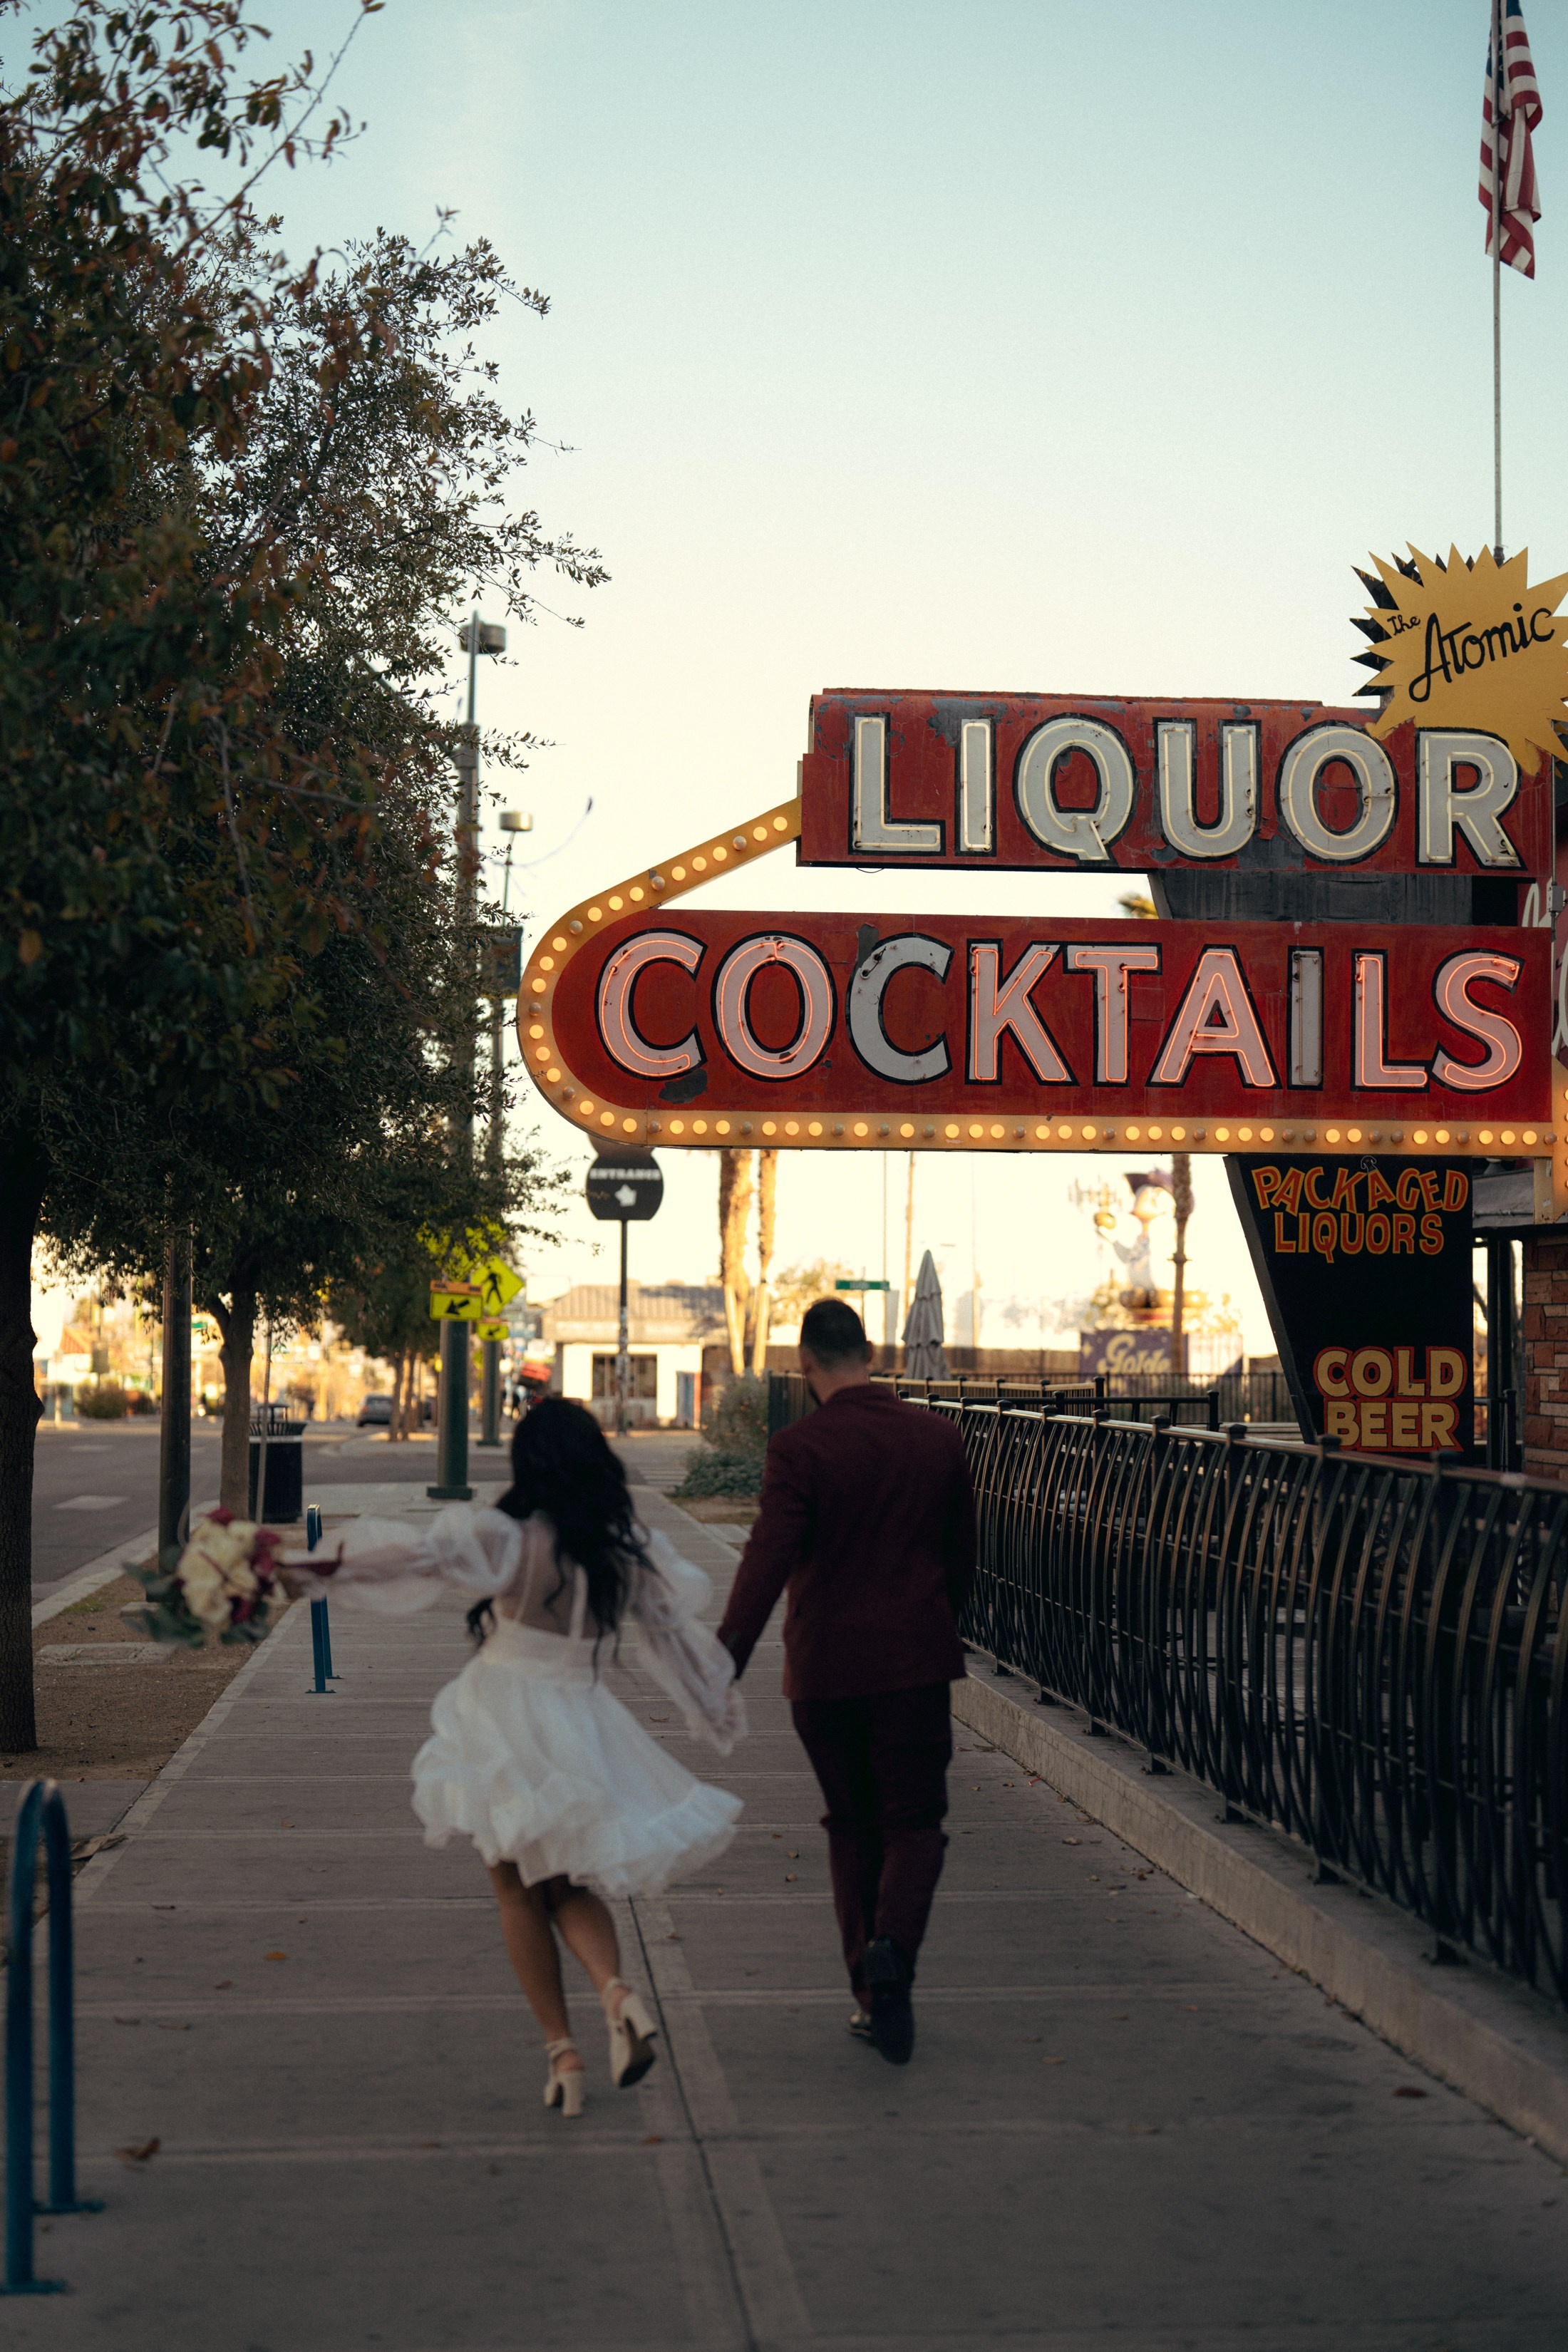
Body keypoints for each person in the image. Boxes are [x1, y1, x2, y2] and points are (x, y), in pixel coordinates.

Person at [283, 1397, 745, 2116]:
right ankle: (616, 1994)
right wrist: (712, 1709)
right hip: (582, 1719)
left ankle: (563, 2052)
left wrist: (305, 1569)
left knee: (514, 1890)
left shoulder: (510, 1540)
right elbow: (674, 1640)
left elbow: (411, 1560)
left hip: (504, 1713)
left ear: (530, 1465)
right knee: (566, 1885)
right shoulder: (623, 1548)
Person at [716, 1298, 976, 2064]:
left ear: (805, 1366)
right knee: (915, 1820)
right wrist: (934, 1621)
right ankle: (893, 1947)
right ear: (871, 1352)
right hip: (914, 1669)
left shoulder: (799, 1449)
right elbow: (962, 1554)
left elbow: (766, 1560)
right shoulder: (938, 1439)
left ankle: (870, 1993)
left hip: (825, 1672)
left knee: (851, 1825)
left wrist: (724, 1660)